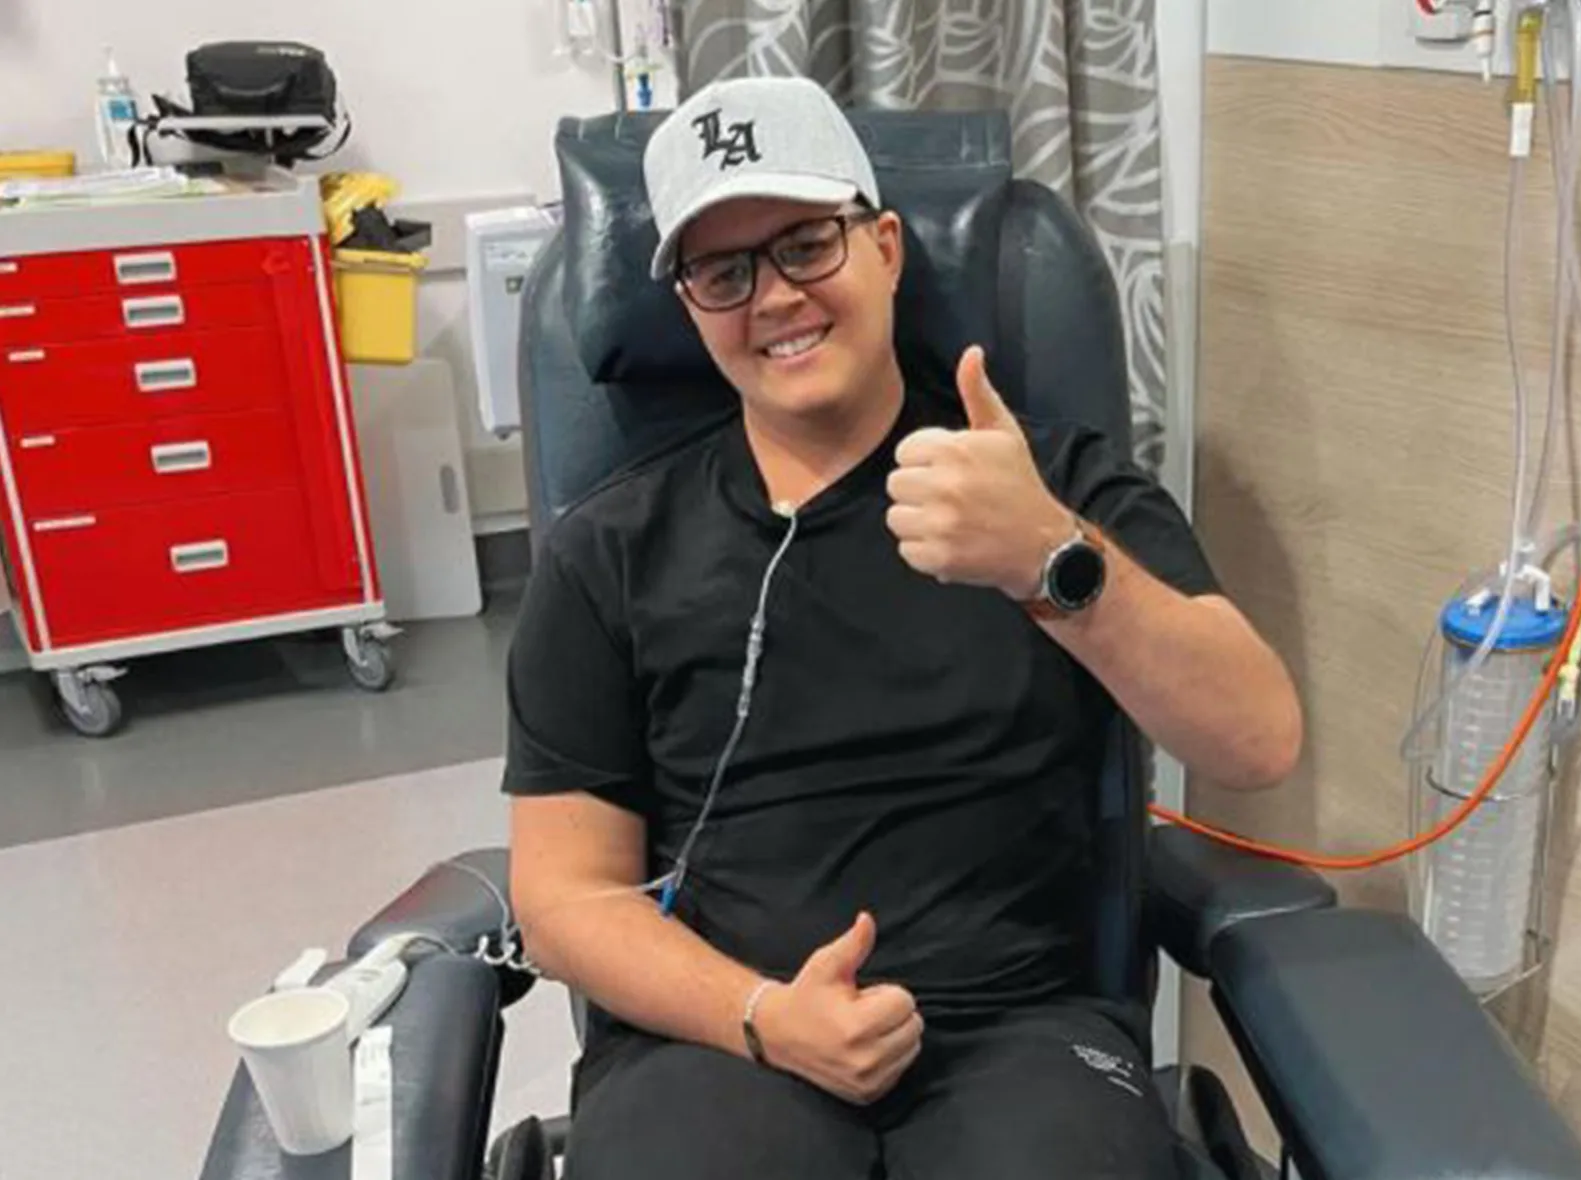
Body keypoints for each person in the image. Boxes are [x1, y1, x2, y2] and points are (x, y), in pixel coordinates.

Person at [503, 76, 1303, 1180]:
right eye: (722, 271)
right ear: (686, 304)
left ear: (885, 246)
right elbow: (563, 895)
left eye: (804, 244)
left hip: (1020, 1031)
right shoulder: (611, 553)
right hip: (724, 1034)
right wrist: (759, 1014)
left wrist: (1049, 562)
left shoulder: (1055, 490)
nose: (773, 296)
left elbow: (1255, 741)